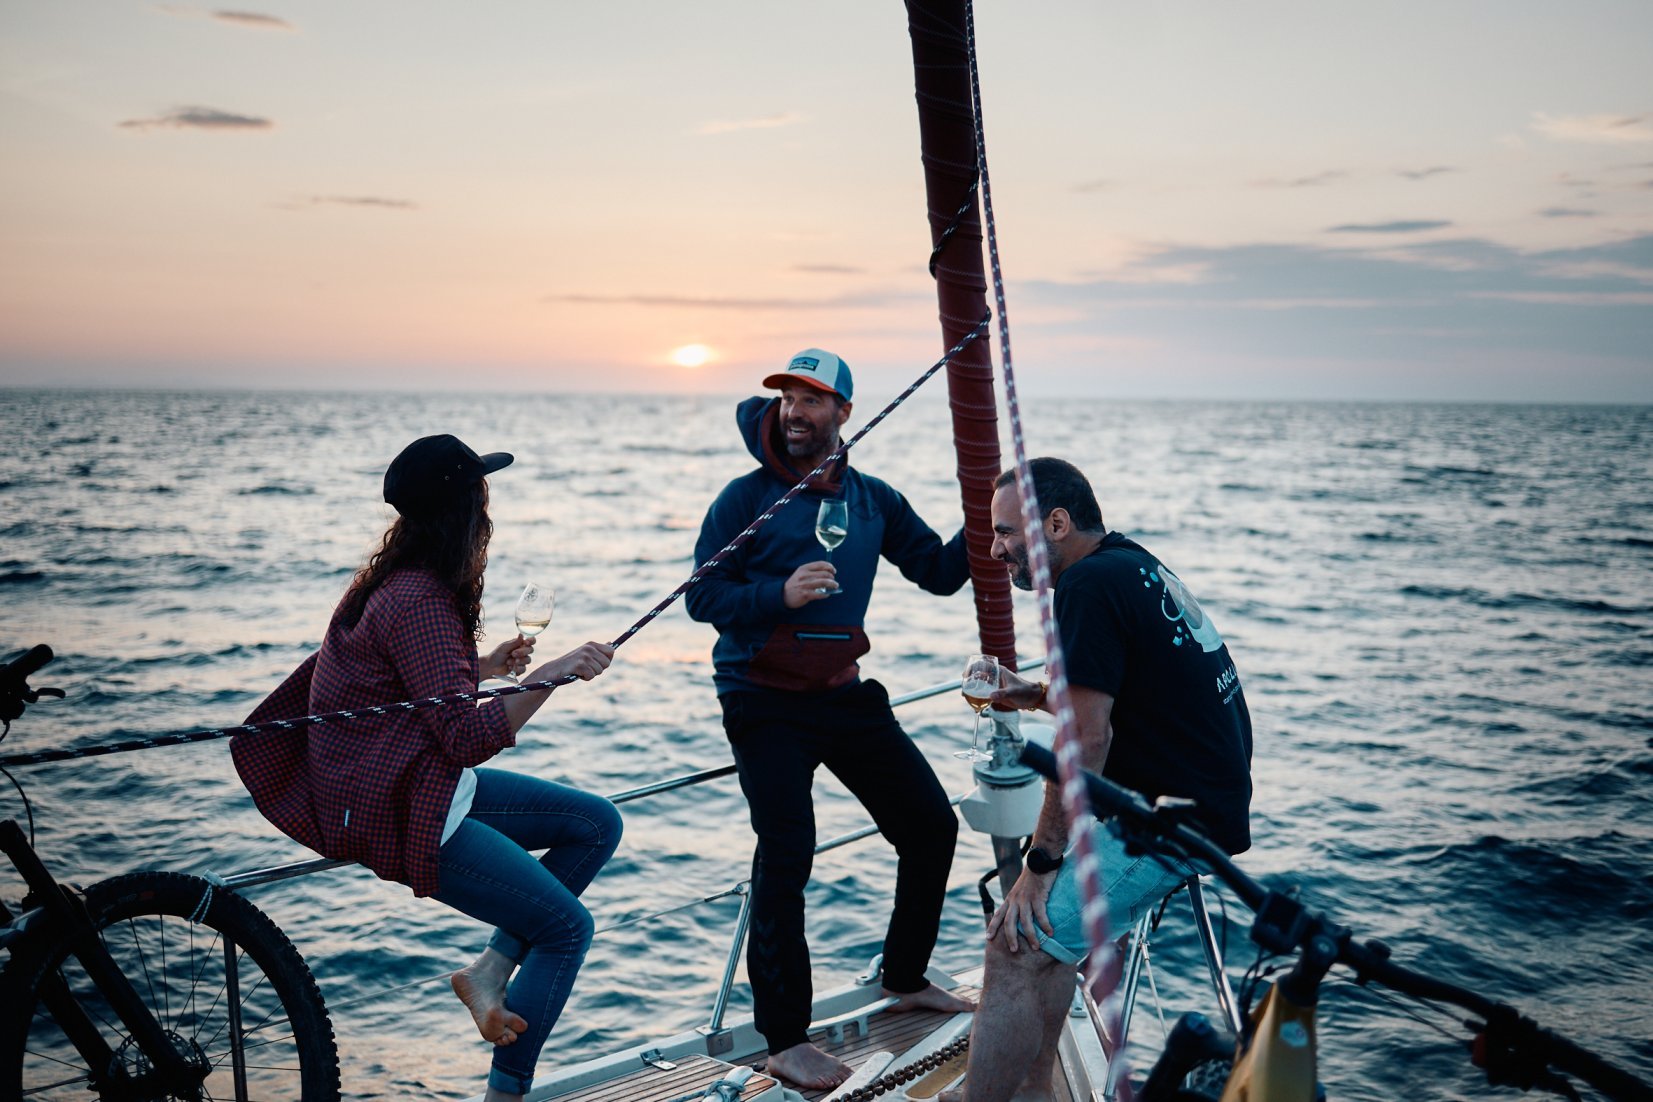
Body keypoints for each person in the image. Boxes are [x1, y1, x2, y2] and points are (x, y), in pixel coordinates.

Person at [231, 434, 621, 1102]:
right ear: (466, 510)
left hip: (413, 781)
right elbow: (464, 735)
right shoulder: (419, 600)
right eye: (482, 494)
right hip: (401, 805)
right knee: (565, 929)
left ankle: (491, 971)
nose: (488, 510)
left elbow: (400, 685)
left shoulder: (394, 585)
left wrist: (487, 667)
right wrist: (549, 677)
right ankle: (508, 1093)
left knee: (595, 824)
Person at [684, 348, 978, 1091]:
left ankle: (903, 974)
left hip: (841, 695)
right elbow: (701, 597)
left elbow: (939, 575)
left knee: (929, 825)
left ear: (844, 411)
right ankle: (784, 1040)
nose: (795, 412)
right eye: (786, 397)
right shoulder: (746, 498)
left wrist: (983, 513)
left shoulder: (875, 499)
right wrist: (775, 596)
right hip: (760, 696)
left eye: (812, 400)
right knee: (788, 851)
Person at [941, 457, 1254, 1102]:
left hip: (1173, 822)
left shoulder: (1084, 588)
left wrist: (1042, 860)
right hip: (1201, 803)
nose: (995, 549)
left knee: (1012, 941)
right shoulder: (1128, 563)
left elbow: (1087, 740)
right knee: (1050, 943)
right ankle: (1033, 1092)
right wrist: (1026, 694)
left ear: (1054, 523)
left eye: (1005, 533)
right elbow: (1113, 697)